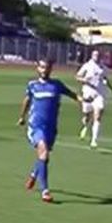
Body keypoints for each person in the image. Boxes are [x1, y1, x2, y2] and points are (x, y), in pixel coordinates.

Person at [17, 59, 79, 203]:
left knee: (44, 157)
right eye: (42, 67)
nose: (45, 70)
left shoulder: (56, 85)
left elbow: (72, 94)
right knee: (43, 154)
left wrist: (83, 100)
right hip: (35, 126)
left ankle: (34, 174)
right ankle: (45, 191)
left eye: (47, 68)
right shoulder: (33, 85)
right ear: (38, 68)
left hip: (50, 127)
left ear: (51, 69)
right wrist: (22, 117)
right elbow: (26, 101)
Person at [75, 50, 112, 148]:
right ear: (92, 56)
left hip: (100, 93)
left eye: (98, 55)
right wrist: (84, 80)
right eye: (95, 55)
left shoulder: (103, 67)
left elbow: (105, 79)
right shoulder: (87, 66)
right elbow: (77, 76)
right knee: (86, 115)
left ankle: (94, 140)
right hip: (88, 93)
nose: (97, 57)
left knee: (98, 115)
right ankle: (85, 126)